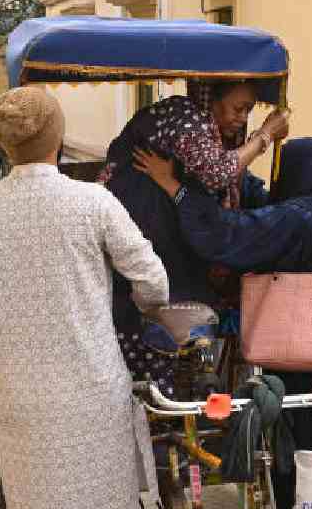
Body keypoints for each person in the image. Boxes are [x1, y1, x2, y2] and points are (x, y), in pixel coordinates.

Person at [0, 87, 168, 509]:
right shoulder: (92, 202)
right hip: (91, 392)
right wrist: (146, 308)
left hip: (21, 394)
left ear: (3, 144)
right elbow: (153, 280)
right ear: (58, 137)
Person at [135, 137, 312, 509]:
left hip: (298, 361)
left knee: (301, 460)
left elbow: (227, 235)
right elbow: (264, 204)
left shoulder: (301, 218)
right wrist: (239, 153)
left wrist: (176, 188)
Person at [101, 80, 288, 395]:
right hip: (146, 228)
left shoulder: (195, 123)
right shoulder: (186, 118)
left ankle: (170, 398)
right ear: (210, 98)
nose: (242, 118)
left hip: (158, 229)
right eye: (237, 108)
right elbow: (217, 171)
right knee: (153, 312)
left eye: (248, 111)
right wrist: (264, 136)